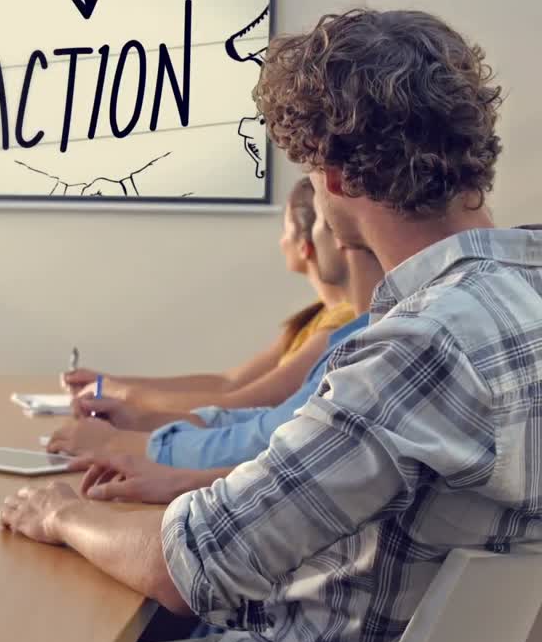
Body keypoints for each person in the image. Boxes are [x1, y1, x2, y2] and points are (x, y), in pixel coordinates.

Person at [0, 9, 542, 642]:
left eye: (310, 173)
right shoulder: (522, 298)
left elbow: (187, 565)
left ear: (336, 178)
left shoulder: (419, 347)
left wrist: (59, 511)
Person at [47, 190, 383, 473]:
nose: (281, 240)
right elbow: (242, 404)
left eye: (319, 224)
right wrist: (134, 412)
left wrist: (122, 423)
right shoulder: (329, 322)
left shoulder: (345, 332)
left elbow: (248, 418)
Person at [63, 178, 355, 414]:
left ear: (306, 245)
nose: (280, 241)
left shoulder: (339, 325)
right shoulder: (318, 316)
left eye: (286, 230)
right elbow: (227, 382)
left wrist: (123, 395)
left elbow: (243, 401)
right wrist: (109, 383)